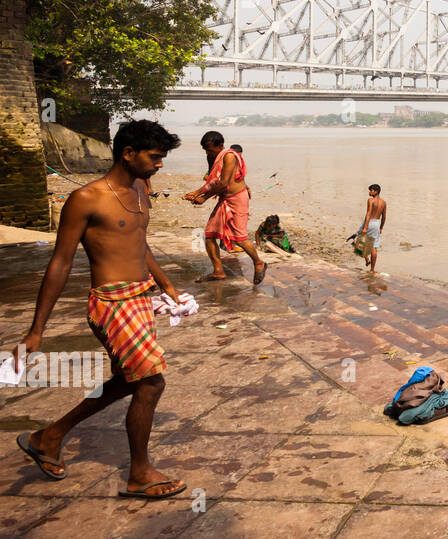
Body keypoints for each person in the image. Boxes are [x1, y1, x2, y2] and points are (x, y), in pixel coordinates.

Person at [10, 119, 187, 498]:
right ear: (128, 153)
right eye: (154, 158)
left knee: (129, 380)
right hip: (110, 303)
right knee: (151, 382)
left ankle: (48, 437)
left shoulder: (141, 189)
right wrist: (37, 329)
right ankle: (139, 473)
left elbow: (137, 242)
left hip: (140, 297)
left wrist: (167, 284)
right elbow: (59, 263)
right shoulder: (87, 199)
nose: (160, 165)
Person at [184, 130, 266, 284]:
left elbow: (223, 183)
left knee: (240, 239)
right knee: (209, 235)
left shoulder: (229, 156)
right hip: (225, 199)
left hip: (237, 200)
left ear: (220, 146)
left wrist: (203, 198)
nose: (208, 153)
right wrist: (195, 193)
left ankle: (258, 262)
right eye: (206, 150)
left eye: (210, 150)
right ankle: (218, 271)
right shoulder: (214, 156)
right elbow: (211, 180)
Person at [353, 184, 387, 274]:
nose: (369, 192)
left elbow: (368, 214)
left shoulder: (370, 200)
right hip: (377, 223)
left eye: (371, 190)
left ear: (376, 191)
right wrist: (381, 227)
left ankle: (367, 259)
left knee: (360, 242)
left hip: (369, 222)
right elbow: (384, 217)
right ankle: (372, 270)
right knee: (374, 246)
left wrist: (365, 227)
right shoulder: (383, 202)